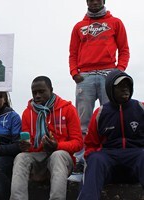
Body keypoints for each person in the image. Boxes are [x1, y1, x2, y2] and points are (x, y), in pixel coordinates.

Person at [69, 0, 130, 170]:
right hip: (85, 77)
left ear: (103, 1)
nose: (94, 1)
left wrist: (118, 71)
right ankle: (81, 160)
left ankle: (112, 156)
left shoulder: (116, 22)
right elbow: (72, 52)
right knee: (82, 121)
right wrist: (74, 73)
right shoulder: (78, 26)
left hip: (108, 74)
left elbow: (124, 49)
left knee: (111, 116)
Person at [10, 76, 83, 200]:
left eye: (41, 91)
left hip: (62, 160)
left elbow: (78, 143)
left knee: (57, 155)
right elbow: (30, 146)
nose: (37, 95)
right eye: (34, 93)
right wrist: (26, 147)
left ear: (51, 90)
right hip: (38, 158)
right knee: (20, 157)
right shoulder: (27, 113)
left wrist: (57, 146)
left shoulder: (68, 109)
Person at [78, 69, 144, 200]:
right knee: (95, 159)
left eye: (127, 85)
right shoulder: (101, 112)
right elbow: (90, 144)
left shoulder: (140, 108)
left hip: (135, 157)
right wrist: (95, 156)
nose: (125, 89)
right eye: (120, 86)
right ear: (110, 89)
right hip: (109, 159)